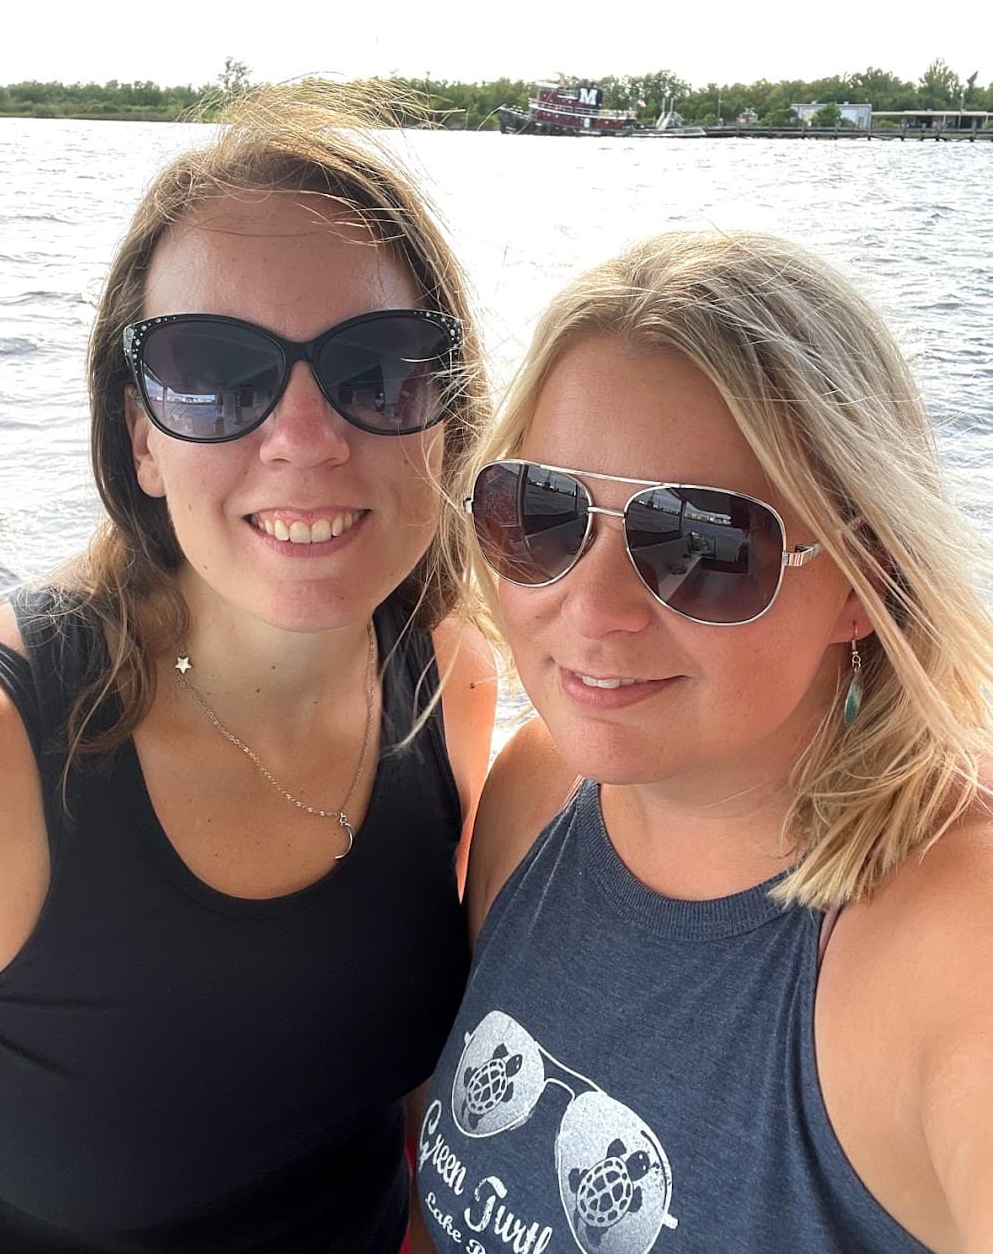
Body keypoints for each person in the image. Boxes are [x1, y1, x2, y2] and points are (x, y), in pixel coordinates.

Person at [0, 86, 496, 1252]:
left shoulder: (450, 682)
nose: (306, 437)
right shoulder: (2, 752)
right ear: (140, 439)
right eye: (214, 370)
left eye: (378, 369)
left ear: (450, 420)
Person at [415, 232, 993, 1253]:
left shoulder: (951, 951)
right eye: (540, 514)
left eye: (703, 544)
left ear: (863, 581)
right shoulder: (535, 792)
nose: (589, 608)